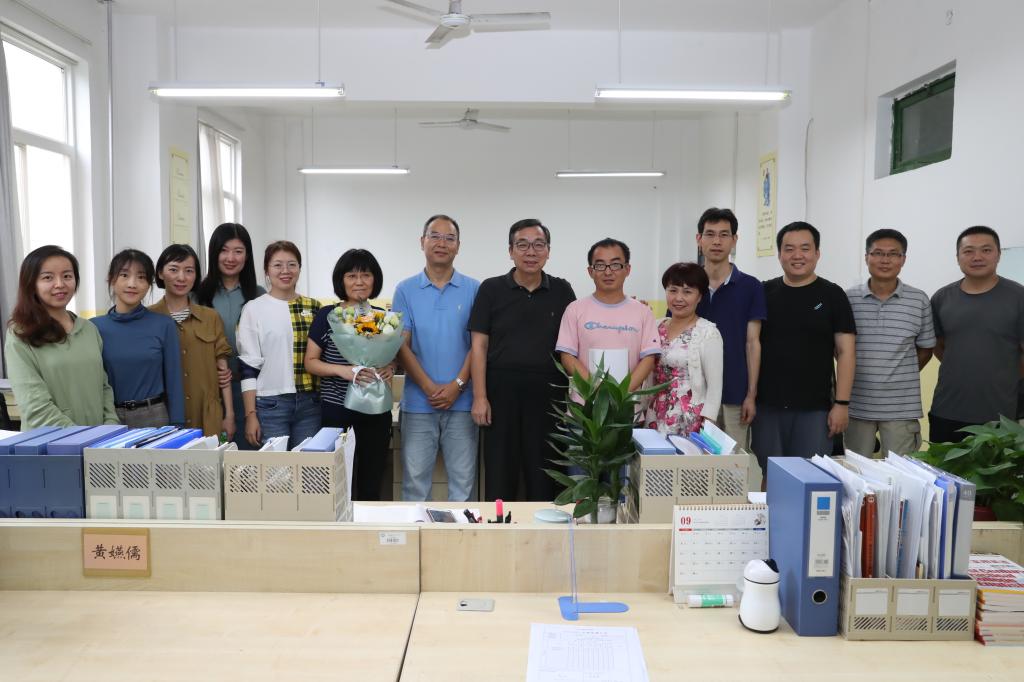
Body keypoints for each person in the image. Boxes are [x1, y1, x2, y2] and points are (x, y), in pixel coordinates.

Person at [469, 219, 576, 501]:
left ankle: (545, 527)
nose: (531, 252)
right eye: (523, 245)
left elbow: (574, 343)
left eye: (538, 245)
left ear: (548, 251)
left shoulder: (562, 291)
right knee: (500, 474)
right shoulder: (491, 289)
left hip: (549, 398)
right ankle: (499, 526)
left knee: (545, 476)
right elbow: (478, 345)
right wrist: (480, 397)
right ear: (510, 251)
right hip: (500, 395)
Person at [752, 222, 856, 471]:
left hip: (815, 409)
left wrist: (842, 404)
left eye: (805, 248)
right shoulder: (764, 292)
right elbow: (751, 344)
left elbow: (846, 352)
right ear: (779, 254)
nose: (797, 255)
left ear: (817, 253)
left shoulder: (833, 295)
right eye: (789, 249)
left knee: (810, 475)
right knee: (771, 473)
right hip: (767, 406)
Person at [392, 215, 481, 502]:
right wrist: (429, 387)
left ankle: (462, 534)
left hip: (463, 404)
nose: (442, 243)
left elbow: (478, 346)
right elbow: (401, 345)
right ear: (422, 242)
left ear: (458, 246)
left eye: (449, 238)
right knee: (415, 486)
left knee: (463, 487)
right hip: (418, 404)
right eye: (435, 236)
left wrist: (458, 385)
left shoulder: (475, 289)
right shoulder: (405, 290)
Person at [306, 249, 394, 500]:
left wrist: (391, 367)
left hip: (375, 410)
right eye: (352, 276)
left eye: (366, 275)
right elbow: (311, 362)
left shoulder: (382, 317)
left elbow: (391, 356)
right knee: (336, 484)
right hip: (337, 409)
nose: (359, 282)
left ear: (375, 279)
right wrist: (342, 371)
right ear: (341, 280)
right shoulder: (328, 316)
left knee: (371, 483)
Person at [4, 245, 118, 430]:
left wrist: (110, 427)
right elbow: (36, 408)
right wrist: (83, 438)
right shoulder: (20, 334)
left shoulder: (89, 329)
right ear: (31, 283)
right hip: (50, 442)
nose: (60, 284)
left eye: (67, 276)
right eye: (48, 277)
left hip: (99, 440)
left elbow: (104, 387)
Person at [844, 229, 935, 456]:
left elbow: (926, 349)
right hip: (856, 405)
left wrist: (897, 375)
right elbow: (841, 349)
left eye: (893, 254)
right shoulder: (848, 299)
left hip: (901, 408)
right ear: (866, 257)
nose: (885, 260)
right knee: (854, 470)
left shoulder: (919, 300)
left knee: (900, 473)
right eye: (878, 253)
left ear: (903, 259)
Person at [930, 226, 1024, 443]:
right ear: (958, 257)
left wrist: (1003, 375)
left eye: (986, 250)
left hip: (1001, 414)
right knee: (943, 465)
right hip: (946, 409)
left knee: (998, 466)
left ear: (998, 255)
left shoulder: (1019, 297)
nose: (977, 257)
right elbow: (939, 346)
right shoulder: (941, 298)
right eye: (969, 251)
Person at [238, 241, 321, 449]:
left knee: (309, 466)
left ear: (299, 268)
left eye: (292, 264)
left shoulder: (315, 307)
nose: (285, 271)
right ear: (267, 270)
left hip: (310, 403)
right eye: (277, 265)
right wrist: (250, 415)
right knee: (276, 468)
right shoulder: (253, 309)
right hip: (270, 404)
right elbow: (248, 367)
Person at [694, 208, 766, 449]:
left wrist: (751, 395)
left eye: (724, 234)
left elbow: (752, 343)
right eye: (710, 234)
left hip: (735, 396)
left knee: (732, 464)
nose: (717, 241)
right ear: (699, 239)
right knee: (694, 464)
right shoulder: (688, 285)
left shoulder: (751, 287)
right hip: (694, 397)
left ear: (734, 240)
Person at [150, 244, 235, 439]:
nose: (181, 277)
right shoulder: (148, 318)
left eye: (189, 271)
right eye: (174, 270)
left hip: (207, 417)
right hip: (164, 418)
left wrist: (229, 415)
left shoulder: (211, 317)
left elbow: (223, 371)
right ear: (160, 273)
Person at [93, 249, 185, 428]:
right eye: (124, 275)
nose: (132, 284)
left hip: (154, 416)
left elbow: (174, 380)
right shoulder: (94, 327)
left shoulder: (163, 325)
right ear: (111, 279)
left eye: (141, 277)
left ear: (149, 284)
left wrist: (177, 424)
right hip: (109, 418)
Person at [556, 237, 660, 391]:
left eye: (615, 265)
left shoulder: (643, 312)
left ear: (627, 269)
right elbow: (567, 356)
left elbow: (649, 358)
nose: (608, 271)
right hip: (586, 401)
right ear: (590, 271)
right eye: (600, 265)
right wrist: (596, 390)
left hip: (627, 402)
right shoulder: (574, 309)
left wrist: (621, 393)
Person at [195, 223, 265, 448]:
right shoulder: (197, 295)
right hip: (210, 391)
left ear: (247, 255)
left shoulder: (259, 295)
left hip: (252, 390)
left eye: (238, 251)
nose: (231, 258)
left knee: (249, 456)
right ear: (214, 253)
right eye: (224, 250)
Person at [643, 263, 723, 435]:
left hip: (689, 420)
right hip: (654, 414)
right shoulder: (655, 326)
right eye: (673, 290)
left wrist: (708, 426)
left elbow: (715, 389)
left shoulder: (708, 333)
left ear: (700, 296)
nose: (678, 298)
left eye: (687, 292)